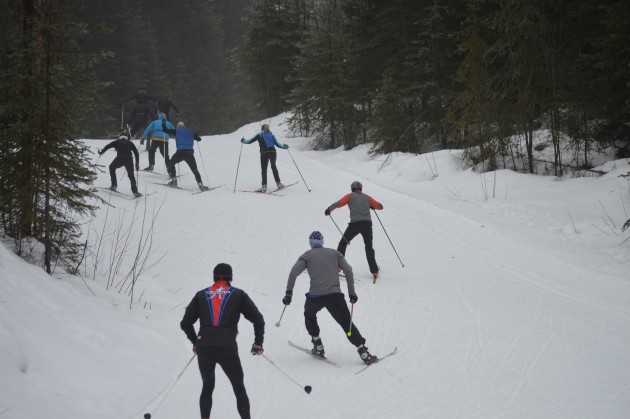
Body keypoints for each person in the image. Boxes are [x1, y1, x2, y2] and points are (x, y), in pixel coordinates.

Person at [181, 263, 265, 419]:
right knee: (239, 388)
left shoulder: (201, 295)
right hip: (227, 349)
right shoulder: (238, 294)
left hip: (204, 348)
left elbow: (185, 323)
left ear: (214, 277)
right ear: (230, 278)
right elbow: (258, 319)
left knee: (207, 386)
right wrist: (257, 343)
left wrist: (196, 342)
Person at [283, 231, 377, 365]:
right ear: (322, 241)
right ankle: (363, 351)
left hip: (315, 297)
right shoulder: (335, 253)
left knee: (310, 316)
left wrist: (288, 294)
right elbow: (348, 271)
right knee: (346, 324)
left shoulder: (306, 256)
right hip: (335, 297)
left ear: (310, 242)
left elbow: (293, 273)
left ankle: (318, 344)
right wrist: (352, 293)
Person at [325, 181, 383, 279]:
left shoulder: (350, 196)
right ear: (361, 188)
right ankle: (374, 271)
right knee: (369, 247)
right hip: (367, 225)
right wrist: (371, 205)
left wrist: (329, 209)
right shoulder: (367, 197)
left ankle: (338, 266)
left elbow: (338, 204)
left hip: (354, 224)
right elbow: (380, 206)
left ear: (352, 188)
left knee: (343, 243)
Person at [162, 120, 210, 191]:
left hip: (180, 152)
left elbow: (165, 130)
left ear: (178, 127)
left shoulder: (176, 131)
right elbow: (199, 139)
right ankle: (201, 185)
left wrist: (163, 123)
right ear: (184, 126)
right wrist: (194, 135)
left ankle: (174, 181)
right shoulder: (190, 131)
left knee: (171, 163)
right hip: (189, 153)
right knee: (195, 170)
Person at [240, 124, 288, 192]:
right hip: (273, 152)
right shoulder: (272, 134)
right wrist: (284, 146)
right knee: (273, 167)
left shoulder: (259, 134)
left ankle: (264, 186)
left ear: (262, 128)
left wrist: (243, 141)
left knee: (264, 169)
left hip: (264, 153)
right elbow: (278, 144)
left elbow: (250, 141)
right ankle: (279, 184)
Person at [98, 132, 142, 197]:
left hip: (120, 158)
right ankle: (135, 192)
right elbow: (136, 153)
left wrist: (102, 151)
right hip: (129, 159)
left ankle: (114, 185)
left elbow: (107, 146)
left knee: (111, 167)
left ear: (120, 136)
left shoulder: (116, 142)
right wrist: (137, 164)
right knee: (131, 175)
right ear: (127, 137)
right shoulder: (130, 143)